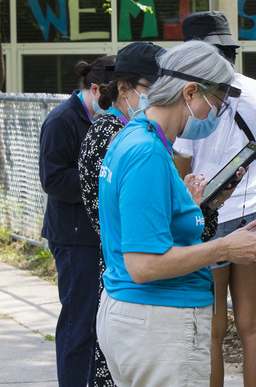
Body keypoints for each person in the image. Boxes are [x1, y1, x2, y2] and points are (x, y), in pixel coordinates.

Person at [95, 40, 256, 387]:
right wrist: (225, 248)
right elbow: (144, 264)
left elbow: (149, 225)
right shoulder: (147, 152)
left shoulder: (137, 137)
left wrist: (201, 206)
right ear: (190, 92)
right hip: (158, 327)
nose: (217, 117)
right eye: (218, 105)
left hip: (141, 321)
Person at [172, 11, 256, 387]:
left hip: (208, 216)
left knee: (212, 328)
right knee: (255, 325)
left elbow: (181, 164)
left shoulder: (191, 93)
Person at [78, 41, 165, 386]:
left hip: (118, 268)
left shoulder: (117, 131)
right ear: (124, 88)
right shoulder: (114, 136)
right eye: (154, 89)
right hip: (124, 272)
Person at [38, 55, 114, 387]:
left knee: (102, 325)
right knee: (79, 324)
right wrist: (102, 182)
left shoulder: (110, 121)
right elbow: (52, 180)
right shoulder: (61, 120)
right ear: (95, 89)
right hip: (74, 239)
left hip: (101, 235)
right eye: (114, 95)